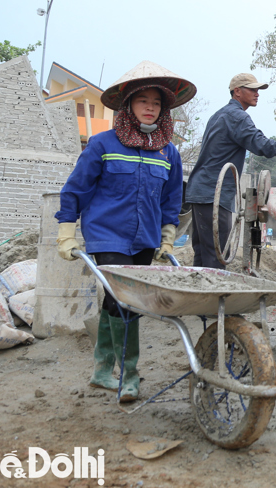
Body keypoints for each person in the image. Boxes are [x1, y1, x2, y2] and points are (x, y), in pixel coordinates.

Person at [55, 60, 196, 403]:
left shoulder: (169, 153)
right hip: (107, 235)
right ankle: (129, 376)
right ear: (129, 104)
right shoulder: (102, 145)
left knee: (114, 300)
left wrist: (167, 234)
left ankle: (102, 369)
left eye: (157, 103)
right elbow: (76, 189)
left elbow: (171, 198)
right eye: (143, 100)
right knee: (128, 302)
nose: (150, 108)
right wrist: (65, 229)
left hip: (145, 239)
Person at [185, 73, 276, 269]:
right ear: (237, 92)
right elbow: (261, 144)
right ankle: (215, 297)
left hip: (202, 191)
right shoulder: (236, 116)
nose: (257, 94)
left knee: (204, 253)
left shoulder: (219, 115)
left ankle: (201, 295)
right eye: (252, 89)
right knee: (218, 255)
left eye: (258, 90)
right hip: (213, 193)